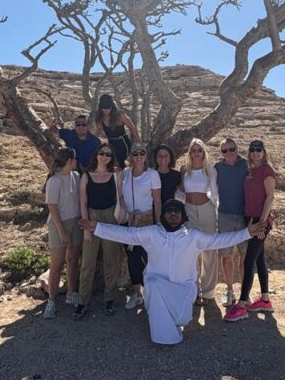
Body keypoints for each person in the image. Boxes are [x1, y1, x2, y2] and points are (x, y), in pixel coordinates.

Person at [82, 199, 267, 345]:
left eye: (176, 211)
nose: (172, 214)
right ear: (163, 215)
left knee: (180, 316)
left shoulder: (193, 237)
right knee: (152, 282)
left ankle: (170, 322)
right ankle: (164, 334)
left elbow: (221, 240)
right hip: (156, 294)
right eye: (169, 211)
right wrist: (96, 227)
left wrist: (247, 232)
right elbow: (124, 234)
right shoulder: (152, 233)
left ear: (183, 216)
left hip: (183, 293)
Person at [224, 139, 277, 323]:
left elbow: (270, 197)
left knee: (248, 261)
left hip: (260, 221)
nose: (255, 152)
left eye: (258, 149)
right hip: (250, 219)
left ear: (264, 152)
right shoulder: (250, 170)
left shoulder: (267, 170)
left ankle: (242, 305)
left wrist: (262, 223)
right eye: (252, 149)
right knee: (260, 259)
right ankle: (265, 300)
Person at [75, 144, 125, 319]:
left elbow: (120, 197)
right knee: (87, 262)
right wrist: (85, 228)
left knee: (112, 259)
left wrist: (121, 217)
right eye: (102, 153)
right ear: (96, 154)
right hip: (91, 217)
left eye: (108, 154)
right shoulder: (86, 176)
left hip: (110, 217)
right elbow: (83, 202)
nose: (104, 157)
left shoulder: (115, 175)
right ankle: (83, 301)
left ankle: (109, 298)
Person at [178, 138, 220, 303]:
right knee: (192, 252)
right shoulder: (184, 170)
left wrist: (217, 213)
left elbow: (215, 192)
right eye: (193, 150)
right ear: (189, 153)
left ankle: (208, 292)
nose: (196, 153)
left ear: (203, 152)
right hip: (189, 211)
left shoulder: (209, 170)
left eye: (199, 150)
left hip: (207, 210)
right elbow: (181, 191)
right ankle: (194, 290)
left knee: (209, 251)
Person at [120, 143, 161, 309]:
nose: (138, 156)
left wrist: (158, 223)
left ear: (145, 155)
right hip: (129, 221)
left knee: (148, 257)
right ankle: (137, 293)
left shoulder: (152, 174)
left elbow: (157, 201)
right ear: (131, 156)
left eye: (141, 153)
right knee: (132, 258)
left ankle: (152, 292)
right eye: (135, 154)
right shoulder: (125, 173)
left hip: (146, 221)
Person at [43, 147, 82, 319]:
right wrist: (61, 231)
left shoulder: (76, 176)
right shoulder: (54, 181)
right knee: (57, 263)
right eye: (75, 159)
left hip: (75, 221)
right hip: (59, 223)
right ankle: (51, 301)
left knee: (72, 259)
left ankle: (71, 293)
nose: (77, 162)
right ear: (69, 161)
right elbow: (52, 208)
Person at [215, 137, 249, 308]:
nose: (229, 153)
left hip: (244, 216)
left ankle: (244, 292)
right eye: (225, 150)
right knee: (226, 255)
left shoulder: (246, 165)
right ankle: (229, 290)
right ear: (221, 152)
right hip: (225, 216)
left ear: (237, 148)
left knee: (245, 256)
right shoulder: (217, 168)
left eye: (231, 149)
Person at [93, 93, 139, 168]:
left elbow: (132, 127)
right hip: (112, 144)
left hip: (123, 143)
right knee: (115, 165)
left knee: (128, 164)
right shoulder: (100, 119)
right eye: (104, 107)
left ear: (112, 106)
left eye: (108, 107)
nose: (106, 110)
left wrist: (138, 143)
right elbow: (98, 132)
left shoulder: (119, 115)